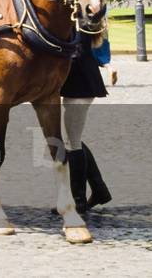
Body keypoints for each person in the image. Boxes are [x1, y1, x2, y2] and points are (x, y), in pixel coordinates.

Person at [60, 30, 112, 214]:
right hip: (79, 83)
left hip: (81, 84)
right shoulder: (78, 22)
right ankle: (99, 190)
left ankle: (78, 201)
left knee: (71, 142)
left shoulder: (80, 25)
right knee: (73, 138)